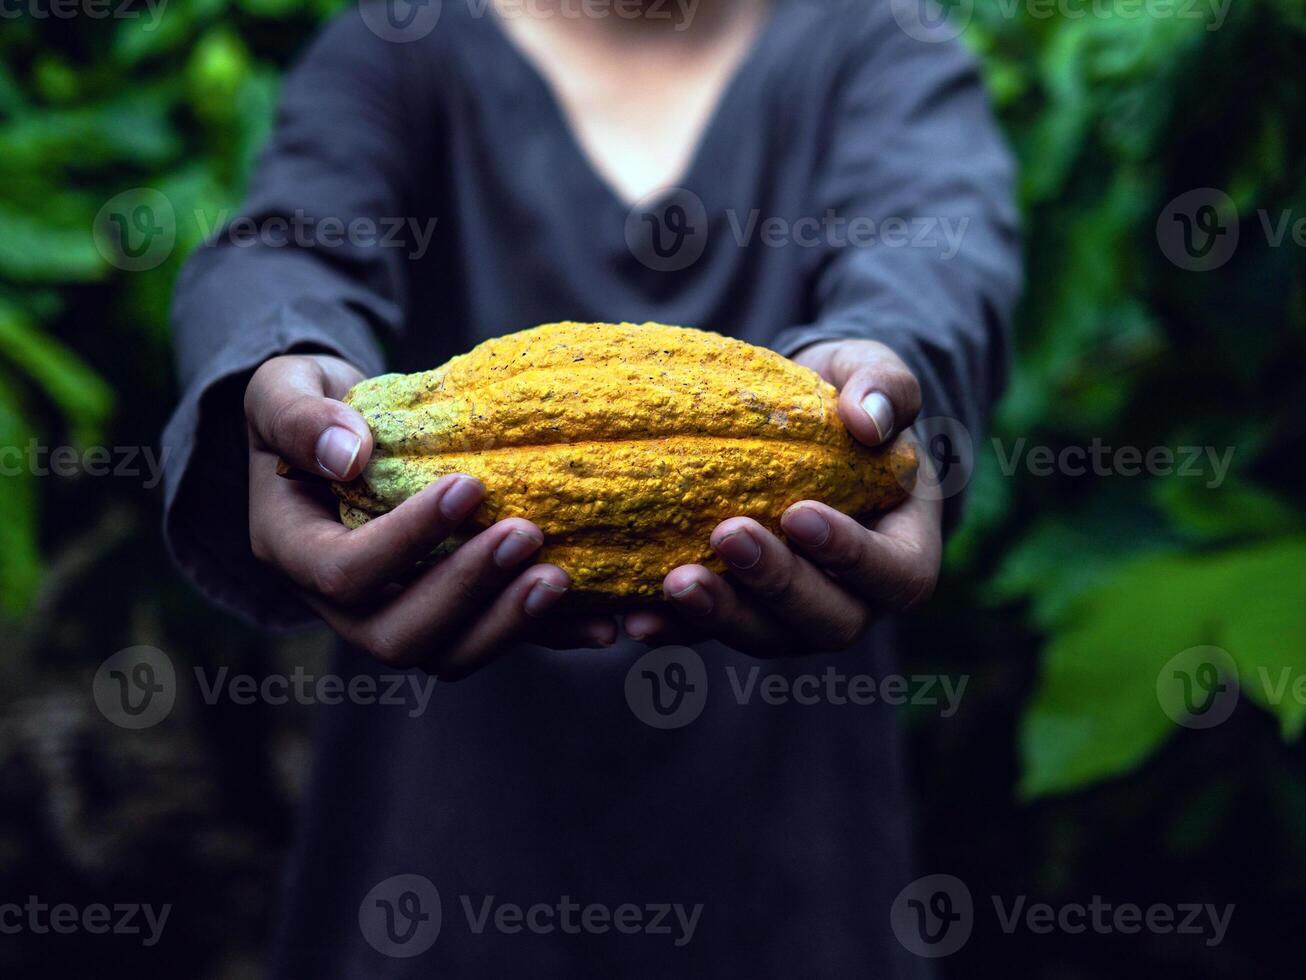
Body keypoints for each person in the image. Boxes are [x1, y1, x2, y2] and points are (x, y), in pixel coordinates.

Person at [163, 0, 1020, 974]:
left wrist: (891, 368)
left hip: (778, 846)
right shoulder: (401, 45)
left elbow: (940, 250)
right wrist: (282, 363)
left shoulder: (875, 47)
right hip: (443, 839)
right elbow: (284, 238)